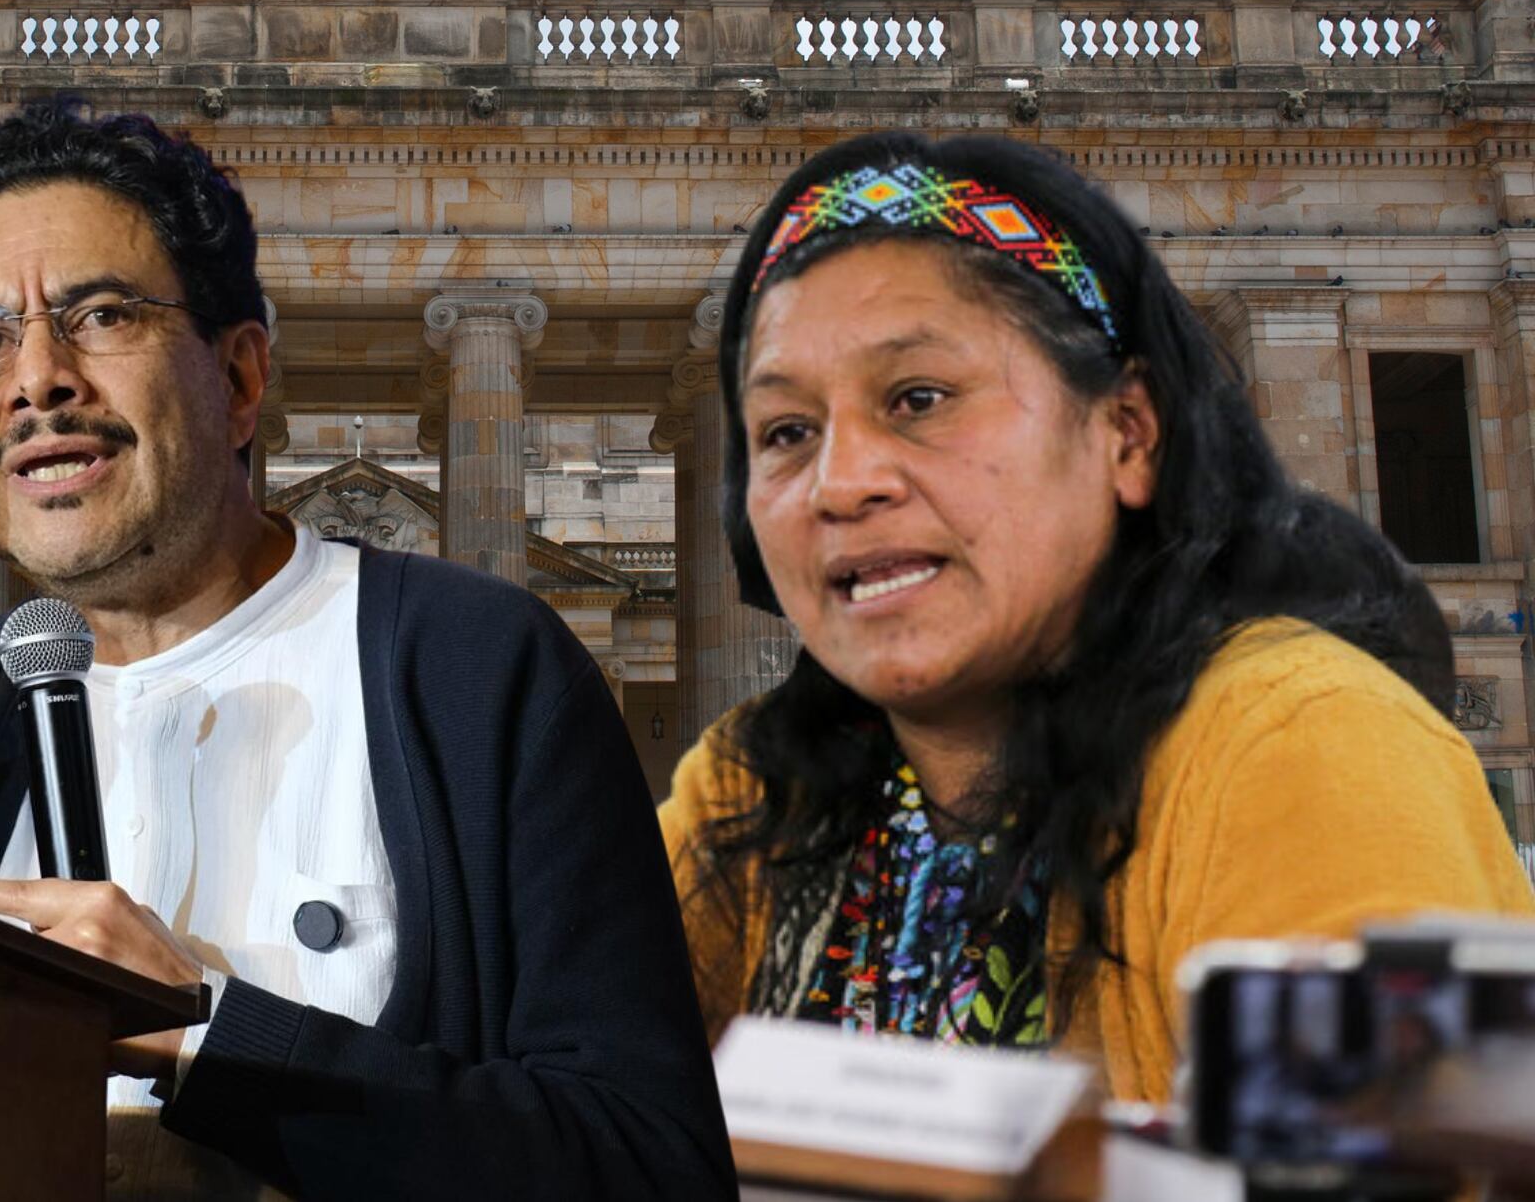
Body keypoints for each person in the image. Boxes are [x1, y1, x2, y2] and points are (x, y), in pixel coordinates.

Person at [0, 101, 734, 1201]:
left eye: (100, 315)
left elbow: (647, 1164)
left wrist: (205, 1035)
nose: (36, 378)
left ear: (241, 379)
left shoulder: (475, 667)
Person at [658, 133, 1535, 1104]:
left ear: (1127, 433)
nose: (840, 483)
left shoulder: (1297, 745)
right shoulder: (760, 788)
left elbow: (1377, 1160)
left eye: (917, 398)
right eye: (786, 432)